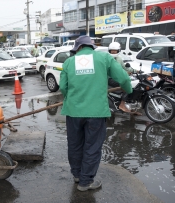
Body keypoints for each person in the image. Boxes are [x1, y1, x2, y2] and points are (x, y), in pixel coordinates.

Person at [59, 35, 132, 191]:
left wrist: (70, 99)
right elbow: (123, 78)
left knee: (75, 144)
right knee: (92, 146)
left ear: (78, 48)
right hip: (96, 111)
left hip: (73, 111)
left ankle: (77, 175)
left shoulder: (68, 62)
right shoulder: (104, 57)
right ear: (91, 47)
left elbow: (63, 87)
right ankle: (85, 182)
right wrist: (129, 90)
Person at [108, 42, 141, 115]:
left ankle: (131, 106)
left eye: (115, 51)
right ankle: (122, 104)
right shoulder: (107, 58)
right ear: (109, 51)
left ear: (118, 51)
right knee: (126, 84)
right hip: (110, 79)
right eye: (112, 51)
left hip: (117, 77)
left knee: (134, 84)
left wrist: (135, 71)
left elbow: (125, 68)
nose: (113, 52)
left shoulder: (119, 58)